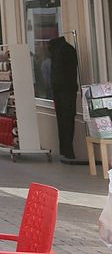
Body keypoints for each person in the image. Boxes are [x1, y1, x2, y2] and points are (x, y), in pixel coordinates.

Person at [48, 35, 84, 163]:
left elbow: (57, 74)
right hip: (67, 90)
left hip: (62, 90)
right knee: (67, 120)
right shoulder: (65, 49)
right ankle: (67, 150)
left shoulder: (59, 50)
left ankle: (66, 149)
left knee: (63, 120)